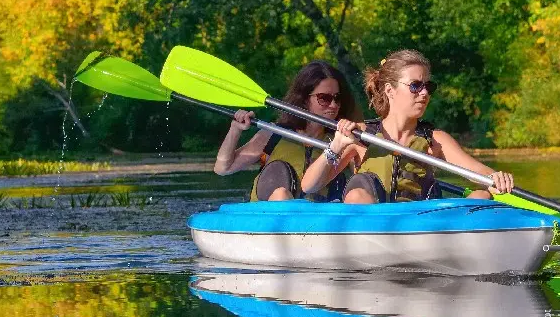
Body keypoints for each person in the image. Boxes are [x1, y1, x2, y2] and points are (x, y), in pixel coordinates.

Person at [300, 49, 515, 203]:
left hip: (417, 227)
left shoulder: (435, 139)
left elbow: (479, 173)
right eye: (415, 86)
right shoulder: (360, 134)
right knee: (358, 193)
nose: (424, 93)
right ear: (390, 91)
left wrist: (496, 178)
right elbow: (309, 186)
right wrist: (335, 147)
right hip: (369, 227)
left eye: (428, 86)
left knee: (482, 195)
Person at [213, 61, 360, 202]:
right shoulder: (272, 134)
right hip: (272, 216)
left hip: (317, 220)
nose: (333, 105)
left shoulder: (344, 141)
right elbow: (223, 168)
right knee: (281, 195)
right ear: (304, 99)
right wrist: (235, 130)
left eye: (337, 98)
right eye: (324, 98)